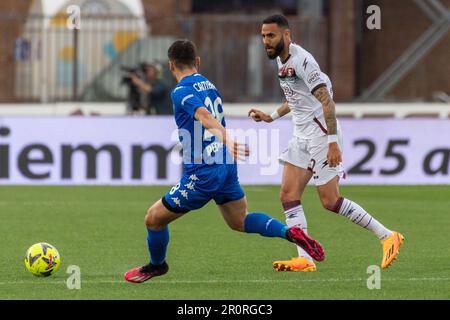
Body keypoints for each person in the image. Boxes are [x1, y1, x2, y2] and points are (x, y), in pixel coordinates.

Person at [124, 39, 325, 283]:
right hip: (226, 165)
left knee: (153, 219)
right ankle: (289, 232)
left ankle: (157, 265)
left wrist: (227, 138)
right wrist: (226, 144)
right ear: (197, 62)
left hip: (203, 172)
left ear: (170, 65)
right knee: (240, 220)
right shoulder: (209, 85)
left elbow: (204, 116)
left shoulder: (180, 91)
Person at [248, 14, 404, 272]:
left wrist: (332, 142)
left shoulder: (303, 61)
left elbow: (326, 101)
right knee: (288, 195)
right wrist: (271, 117)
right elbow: (296, 98)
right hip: (301, 135)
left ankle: (387, 235)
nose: (266, 40)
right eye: (263, 36)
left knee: (330, 201)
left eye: (271, 35)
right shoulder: (280, 59)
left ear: (287, 35)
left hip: (321, 135)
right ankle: (304, 259)